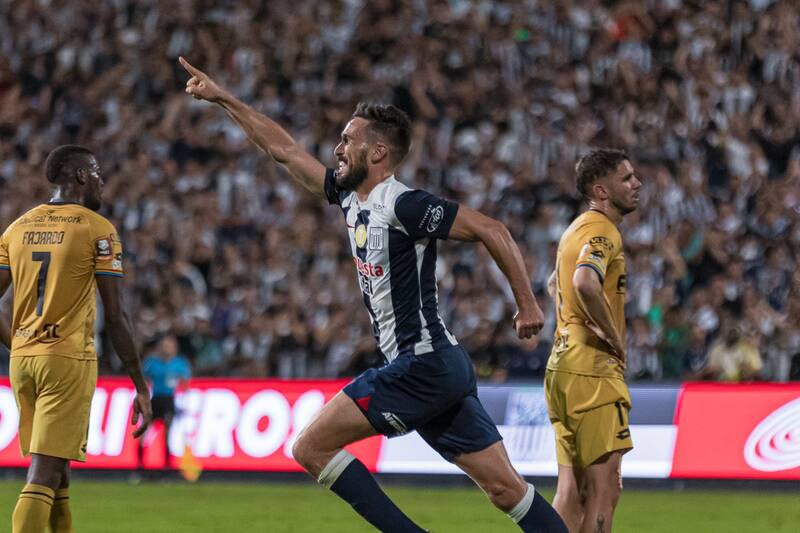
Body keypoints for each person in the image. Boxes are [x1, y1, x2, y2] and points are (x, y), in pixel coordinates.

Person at [180, 57, 566, 533]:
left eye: (348, 140)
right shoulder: (348, 197)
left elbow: (493, 229)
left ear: (378, 152)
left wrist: (527, 304)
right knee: (508, 490)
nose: (338, 148)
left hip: (421, 363)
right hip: (439, 365)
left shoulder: (402, 204)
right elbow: (281, 149)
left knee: (309, 447)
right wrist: (223, 99)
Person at [0, 145, 152, 533]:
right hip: (66, 360)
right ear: (81, 176)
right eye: (97, 172)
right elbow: (116, 316)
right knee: (43, 472)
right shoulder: (96, 229)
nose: (102, 180)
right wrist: (139, 384)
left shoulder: (17, 227)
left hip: (24, 362)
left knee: (59, 472)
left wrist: (17, 343)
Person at [545, 149, 641, 532]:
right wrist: (614, 337)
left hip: (563, 367)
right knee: (605, 491)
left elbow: (555, 283)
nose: (637, 184)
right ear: (601, 190)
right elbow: (585, 282)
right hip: (593, 373)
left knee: (572, 493)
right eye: (627, 178)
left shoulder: (575, 229)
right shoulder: (603, 231)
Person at [139, 334, 191, 472]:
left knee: (167, 434)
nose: (167, 348)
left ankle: (166, 466)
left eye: (169, 346)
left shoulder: (179, 363)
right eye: (164, 345)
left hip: (169, 400)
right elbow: (143, 379)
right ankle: (140, 465)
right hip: (155, 400)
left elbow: (185, 383)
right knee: (144, 432)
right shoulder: (152, 362)